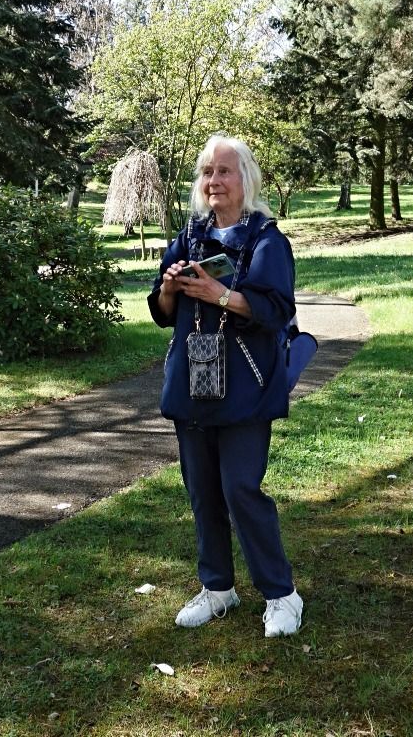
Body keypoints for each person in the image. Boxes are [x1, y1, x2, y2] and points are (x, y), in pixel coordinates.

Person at [147, 133, 303, 638]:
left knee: (239, 488)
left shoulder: (267, 241)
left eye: (224, 171)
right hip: (192, 384)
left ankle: (282, 595)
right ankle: (217, 588)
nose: (214, 181)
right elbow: (162, 312)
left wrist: (220, 293)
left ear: (245, 179)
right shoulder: (190, 236)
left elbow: (276, 310)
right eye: (207, 172)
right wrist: (169, 287)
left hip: (246, 387)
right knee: (203, 492)